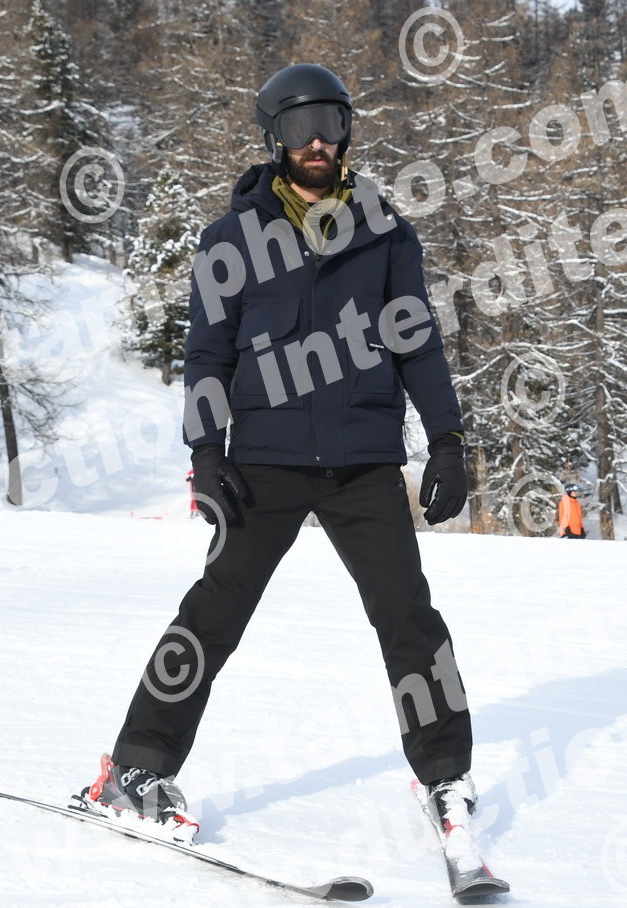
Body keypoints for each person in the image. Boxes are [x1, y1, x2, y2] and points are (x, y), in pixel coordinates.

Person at [77, 64, 477, 844]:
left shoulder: (387, 233)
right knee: (213, 612)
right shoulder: (230, 242)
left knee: (409, 616)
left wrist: (449, 440)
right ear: (275, 138)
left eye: (329, 123)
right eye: (299, 127)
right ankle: (135, 767)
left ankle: (445, 774)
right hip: (265, 459)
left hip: (363, 460)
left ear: (347, 131)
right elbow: (208, 356)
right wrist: (206, 451)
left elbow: (418, 345)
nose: (316, 141)